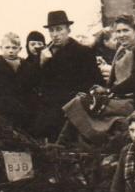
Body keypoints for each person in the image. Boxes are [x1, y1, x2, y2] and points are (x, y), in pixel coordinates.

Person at [33, 10, 103, 141]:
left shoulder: (83, 52)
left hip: (71, 107)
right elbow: (34, 80)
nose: (55, 34)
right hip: (48, 107)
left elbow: (94, 80)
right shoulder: (45, 53)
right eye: (52, 31)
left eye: (59, 29)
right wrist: (41, 62)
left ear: (68, 30)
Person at [0, 32, 39, 131]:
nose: (11, 51)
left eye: (14, 48)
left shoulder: (26, 66)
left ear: (20, 49)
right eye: (7, 47)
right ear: (1, 48)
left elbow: (31, 86)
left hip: (22, 104)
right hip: (2, 104)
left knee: (31, 113)